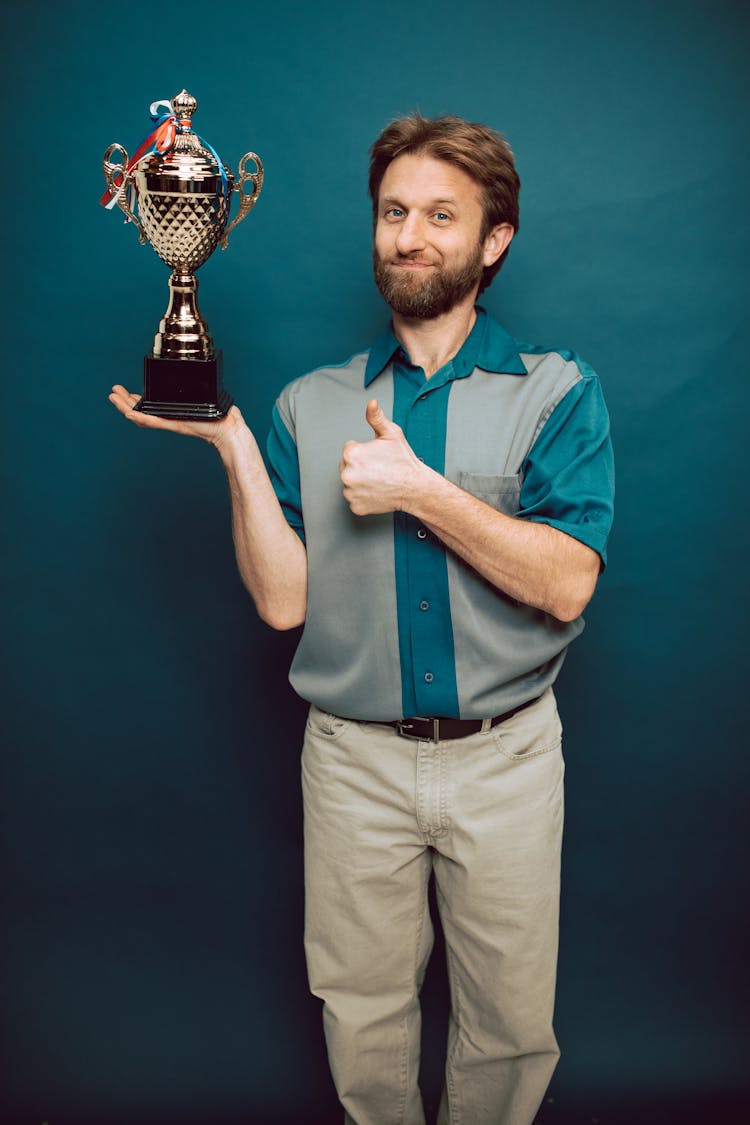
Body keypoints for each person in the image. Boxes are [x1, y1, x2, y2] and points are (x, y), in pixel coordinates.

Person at [110, 112, 614, 1125]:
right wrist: (238, 448)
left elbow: (567, 585)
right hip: (352, 764)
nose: (408, 237)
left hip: (505, 762)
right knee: (363, 1015)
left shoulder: (558, 392)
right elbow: (284, 600)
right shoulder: (312, 402)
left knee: (510, 1027)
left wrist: (422, 491)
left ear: (494, 239)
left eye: (440, 214)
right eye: (393, 213)